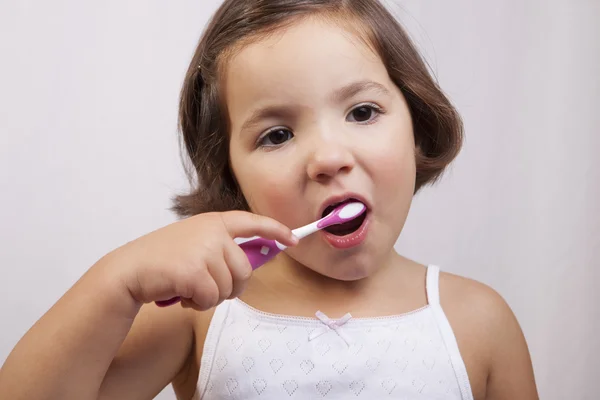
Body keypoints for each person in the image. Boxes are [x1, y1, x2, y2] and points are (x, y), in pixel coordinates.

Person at [0, 0, 539, 399]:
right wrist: (117, 282)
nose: (328, 157)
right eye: (277, 135)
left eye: (362, 112)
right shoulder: (202, 313)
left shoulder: (478, 321)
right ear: (231, 174)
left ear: (416, 124)